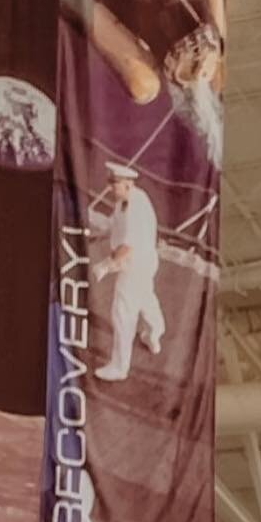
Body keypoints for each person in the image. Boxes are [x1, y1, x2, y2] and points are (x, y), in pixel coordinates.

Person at [90, 161, 163, 382]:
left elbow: (126, 248)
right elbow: (114, 224)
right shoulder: (128, 199)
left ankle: (119, 367)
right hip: (144, 263)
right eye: (110, 182)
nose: (110, 187)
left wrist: (105, 265)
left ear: (128, 184)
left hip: (134, 266)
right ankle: (155, 332)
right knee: (146, 300)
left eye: (115, 183)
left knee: (122, 314)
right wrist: (89, 216)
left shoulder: (134, 208)